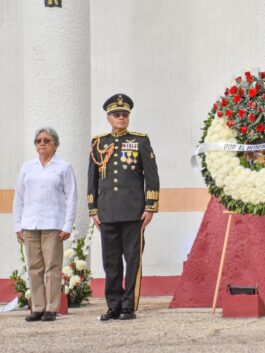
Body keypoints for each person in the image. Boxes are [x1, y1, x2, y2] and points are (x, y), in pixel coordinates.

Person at [88, 93, 159, 321]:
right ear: (109, 117)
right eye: (117, 115)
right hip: (107, 212)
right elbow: (93, 180)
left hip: (133, 212)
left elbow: (152, 176)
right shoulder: (99, 143)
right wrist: (93, 209)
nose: (121, 118)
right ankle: (114, 306)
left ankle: (129, 306)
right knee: (111, 262)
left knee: (132, 260)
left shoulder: (140, 141)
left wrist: (150, 207)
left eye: (125, 114)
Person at [13, 127, 77, 322]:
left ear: (55, 145)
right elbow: (19, 197)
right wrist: (18, 224)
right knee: (34, 267)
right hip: (30, 224)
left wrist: (67, 225)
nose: (42, 143)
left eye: (46, 140)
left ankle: (51, 307)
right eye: (38, 140)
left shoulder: (63, 167)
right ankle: (37, 307)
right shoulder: (27, 167)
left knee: (52, 267)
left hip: (52, 224)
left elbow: (71, 197)